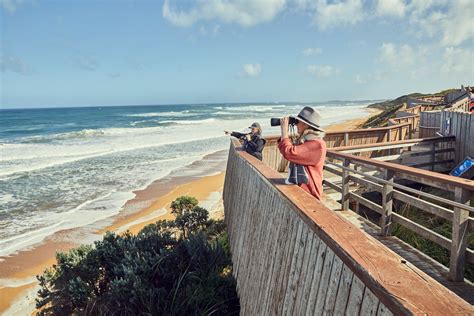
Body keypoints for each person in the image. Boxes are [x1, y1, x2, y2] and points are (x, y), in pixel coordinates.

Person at [277, 107, 327, 200]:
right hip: (302, 190)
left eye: (298, 122)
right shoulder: (306, 141)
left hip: (310, 194)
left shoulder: (317, 144)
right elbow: (286, 151)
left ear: (305, 124)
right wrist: (284, 136)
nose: (296, 125)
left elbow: (289, 152)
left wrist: (284, 132)